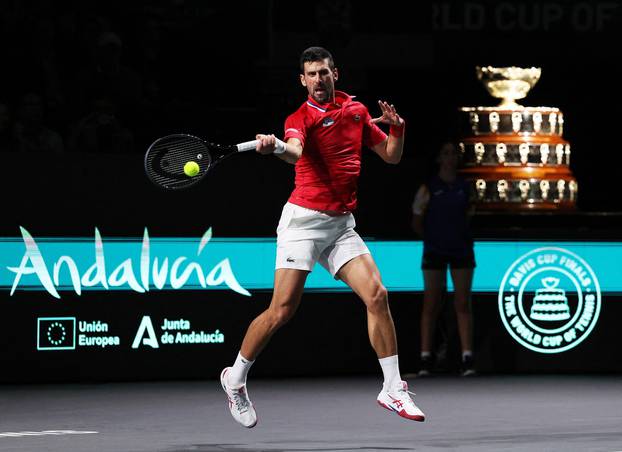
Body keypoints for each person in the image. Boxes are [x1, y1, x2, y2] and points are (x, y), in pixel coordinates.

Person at [220, 46, 425, 428]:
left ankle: (393, 389)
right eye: (311, 74)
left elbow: (392, 156)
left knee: (377, 294)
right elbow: (295, 152)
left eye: (324, 73)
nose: (318, 80)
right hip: (303, 223)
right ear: (303, 80)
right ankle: (235, 378)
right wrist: (276, 145)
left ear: (336, 74)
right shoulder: (299, 117)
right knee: (282, 311)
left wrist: (397, 126)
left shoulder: (358, 111)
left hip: (341, 223)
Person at [411, 141, 476, 377]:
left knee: (462, 303)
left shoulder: (466, 188)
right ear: (439, 158)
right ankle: (426, 358)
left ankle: (467, 357)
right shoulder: (428, 188)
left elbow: (470, 217)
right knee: (431, 303)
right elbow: (416, 221)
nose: (450, 158)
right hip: (434, 251)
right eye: (445, 153)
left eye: (453, 154)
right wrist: (434, 238)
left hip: (461, 251)